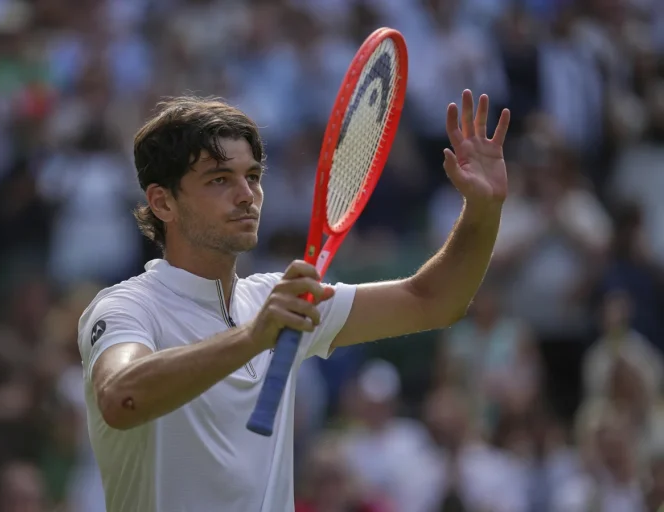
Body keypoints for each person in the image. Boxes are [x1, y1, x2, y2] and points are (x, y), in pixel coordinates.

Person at [78, 90, 510, 512]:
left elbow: (432, 301)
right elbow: (120, 396)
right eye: (219, 179)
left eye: (252, 176)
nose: (246, 194)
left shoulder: (276, 299)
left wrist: (483, 210)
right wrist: (253, 336)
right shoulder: (127, 307)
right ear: (162, 202)